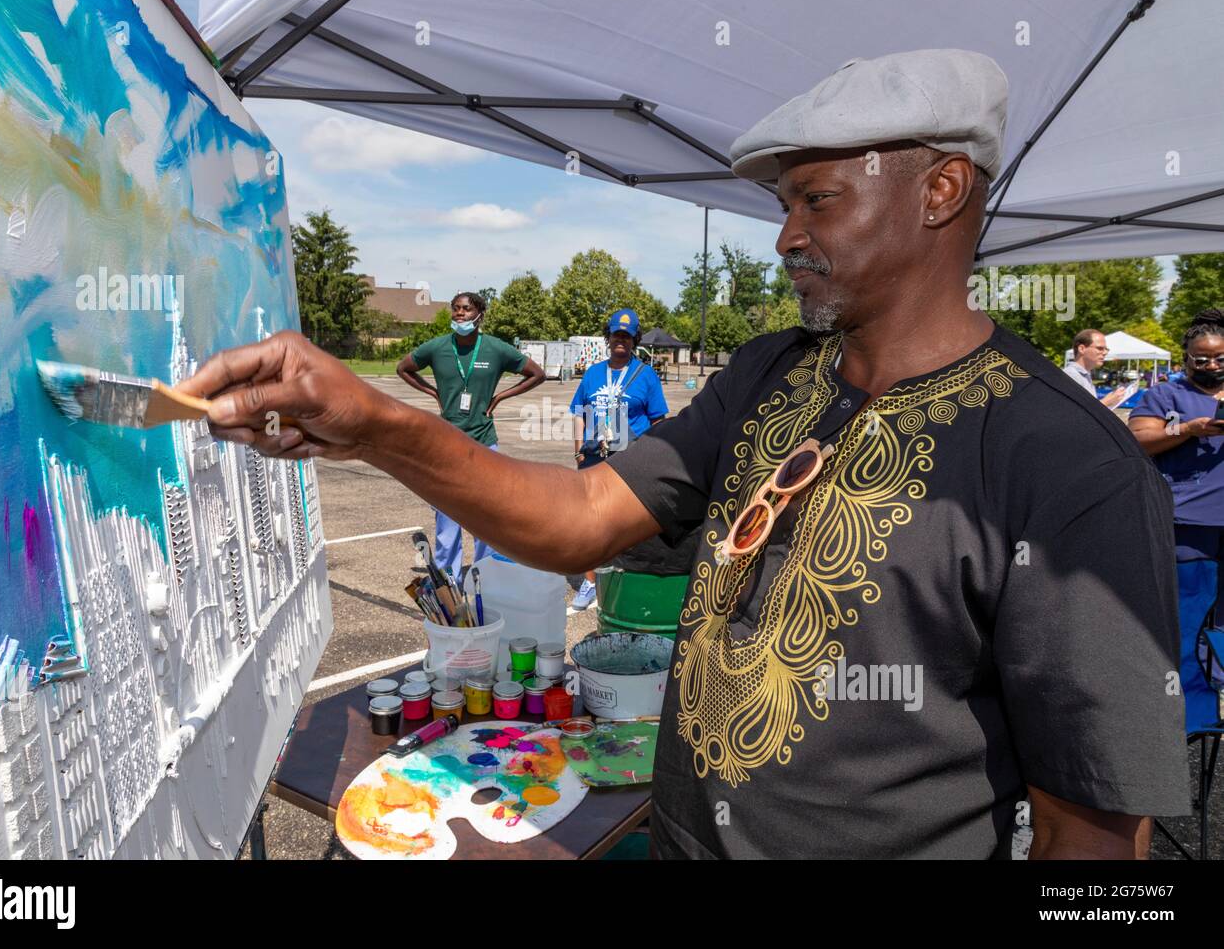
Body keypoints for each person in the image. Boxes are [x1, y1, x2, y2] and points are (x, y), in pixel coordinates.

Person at [177, 49, 1187, 858]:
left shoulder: (1068, 461)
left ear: (939, 192)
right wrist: (380, 426)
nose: (784, 235)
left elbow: (1095, 829)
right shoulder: (768, 374)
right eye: (781, 205)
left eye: (816, 200)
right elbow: (574, 521)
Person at [395, 291, 545, 581]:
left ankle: (483, 577)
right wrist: (431, 391)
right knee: (447, 518)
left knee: (484, 516)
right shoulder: (438, 348)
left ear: (480, 314)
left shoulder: (495, 349)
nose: (459, 314)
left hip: (484, 442)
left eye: (466, 309)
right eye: (455, 309)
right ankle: (448, 580)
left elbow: (536, 374)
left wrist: (500, 396)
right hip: (445, 443)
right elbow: (404, 368)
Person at [1128, 309, 1224, 736]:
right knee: (1187, 625)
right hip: (1188, 530)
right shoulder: (1166, 395)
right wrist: (1189, 429)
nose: (1210, 365)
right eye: (1199, 359)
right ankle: (1192, 720)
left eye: (1219, 357)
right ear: (1185, 359)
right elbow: (1137, 442)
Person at [568, 308, 668, 609]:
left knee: (625, 523)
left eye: (626, 335)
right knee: (588, 520)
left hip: (629, 459)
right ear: (608, 338)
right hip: (593, 457)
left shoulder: (646, 375)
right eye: (615, 334)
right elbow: (579, 413)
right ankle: (589, 583)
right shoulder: (593, 373)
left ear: (635, 339)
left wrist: (650, 457)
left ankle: (625, 581)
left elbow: (659, 420)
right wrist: (577, 450)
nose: (620, 340)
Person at [1063, 329, 1130, 407]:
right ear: (1082, 349)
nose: (1105, 353)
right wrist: (1106, 402)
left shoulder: (1084, 375)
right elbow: (1073, 412)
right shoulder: (1071, 375)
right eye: (1100, 348)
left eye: (1106, 349)